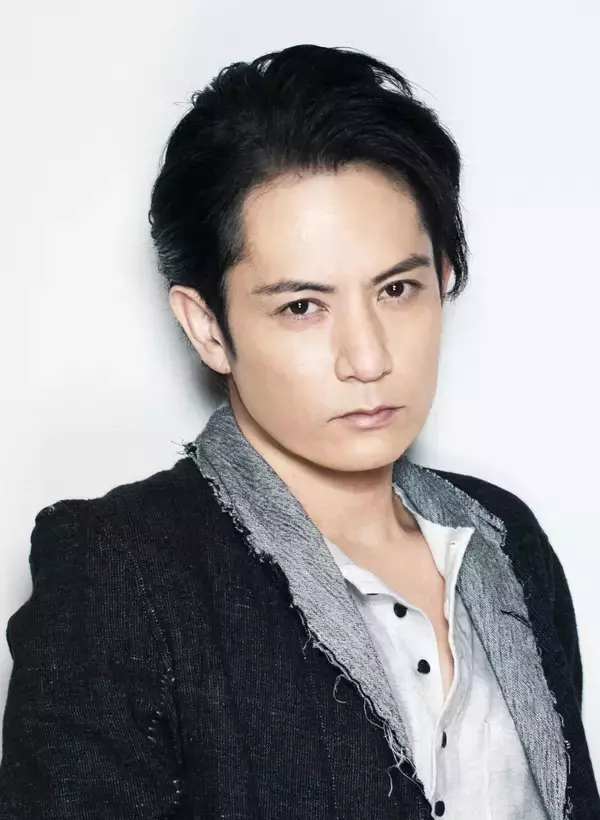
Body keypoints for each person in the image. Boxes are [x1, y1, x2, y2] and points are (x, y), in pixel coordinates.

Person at [0, 43, 597, 820]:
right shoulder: (119, 574)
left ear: (442, 276)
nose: (369, 358)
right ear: (207, 326)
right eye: (302, 307)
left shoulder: (504, 537)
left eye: (398, 289)